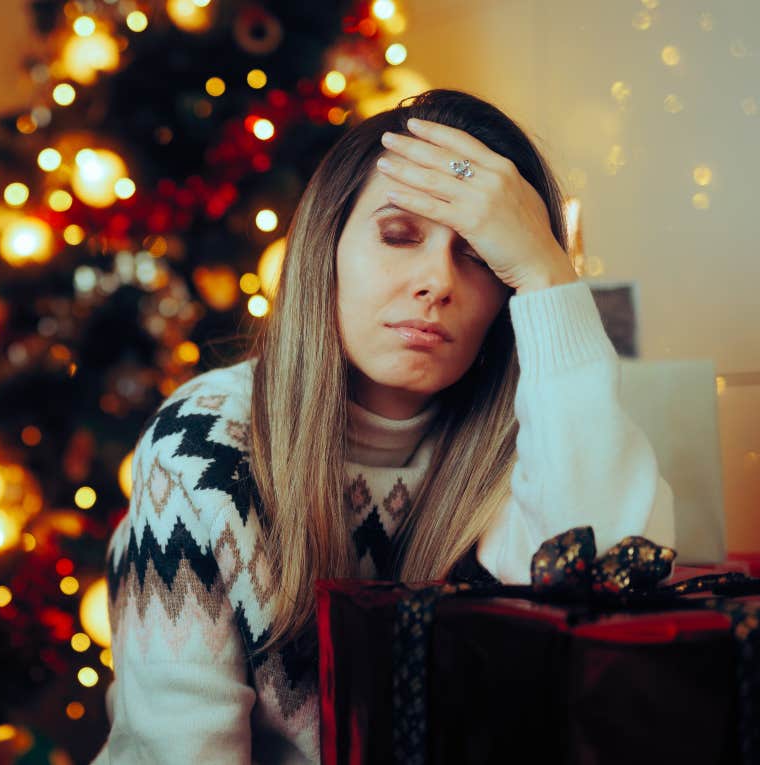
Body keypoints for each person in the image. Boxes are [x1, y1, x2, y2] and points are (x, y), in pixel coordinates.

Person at [91, 89, 675, 764]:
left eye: (484, 255)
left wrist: (547, 273)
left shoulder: (536, 445)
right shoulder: (205, 444)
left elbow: (609, 582)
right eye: (399, 235)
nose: (437, 280)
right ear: (326, 249)